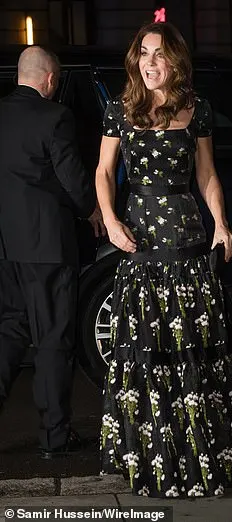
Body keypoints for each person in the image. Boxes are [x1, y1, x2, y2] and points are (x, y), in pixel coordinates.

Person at [96, 23, 232, 498]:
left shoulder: (196, 111)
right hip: (141, 247)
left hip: (188, 246)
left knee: (190, 356)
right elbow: (102, 171)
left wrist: (220, 222)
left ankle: (198, 465)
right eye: (143, 53)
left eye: (158, 54)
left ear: (175, 61)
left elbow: (208, 176)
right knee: (147, 359)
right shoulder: (119, 110)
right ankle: (152, 464)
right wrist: (112, 221)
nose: (150, 62)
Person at [0, 46, 102, 459]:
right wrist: (92, 210)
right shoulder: (55, 117)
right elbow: (73, 180)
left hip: (6, 247)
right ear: (49, 80)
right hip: (48, 247)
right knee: (53, 339)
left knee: (8, 331)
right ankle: (54, 435)